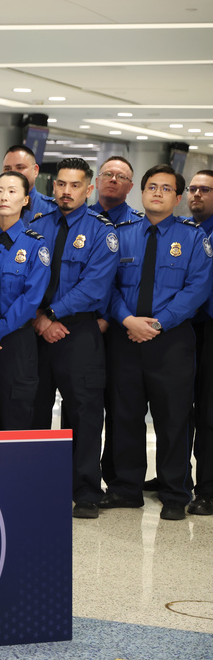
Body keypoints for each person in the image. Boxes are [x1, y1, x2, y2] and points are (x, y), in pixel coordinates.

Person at [100, 165, 212, 521]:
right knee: (125, 414)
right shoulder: (120, 234)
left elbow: (197, 289)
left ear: (178, 198)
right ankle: (126, 488)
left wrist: (159, 323)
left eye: (166, 188)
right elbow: (108, 286)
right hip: (126, 336)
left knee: (173, 418)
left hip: (172, 340)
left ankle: (175, 493)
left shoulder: (193, 238)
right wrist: (128, 320)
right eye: (151, 187)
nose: (158, 193)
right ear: (141, 193)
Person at [29, 158, 118, 519]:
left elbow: (94, 286)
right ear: (54, 186)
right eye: (61, 184)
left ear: (88, 188)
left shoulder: (101, 231)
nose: (67, 191)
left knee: (83, 411)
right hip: (35, 328)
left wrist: (51, 315)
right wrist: (39, 318)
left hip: (78, 329)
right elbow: (25, 277)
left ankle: (84, 490)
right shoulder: (36, 226)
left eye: (75, 185)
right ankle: (35, 485)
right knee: (33, 408)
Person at [0, 172, 50, 431]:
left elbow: (30, 300)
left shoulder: (35, 245)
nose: (4, 196)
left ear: (26, 199)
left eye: (12, 191)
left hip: (15, 341)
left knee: (15, 415)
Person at [187, 170, 213, 516]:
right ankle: (179, 479)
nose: (196, 194)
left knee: (208, 413)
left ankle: (207, 488)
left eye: (204, 190)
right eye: (192, 189)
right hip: (186, 330)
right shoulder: (186, 233)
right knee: (181, 409)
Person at [0, 145, 57, 226]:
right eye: (7, 169)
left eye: (20, 167)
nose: (13, 173)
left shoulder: (52, 210)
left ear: (35, 170)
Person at [90, 156, 144, 225]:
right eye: (108, 174)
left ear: (129, 187)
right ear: (97, 182)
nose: (113, 179)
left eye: (121, 177)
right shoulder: (80, 218)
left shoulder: (140, 223)